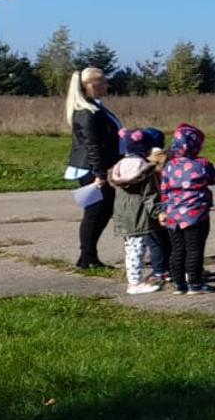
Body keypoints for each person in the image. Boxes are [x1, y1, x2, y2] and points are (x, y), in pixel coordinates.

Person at [65, 67, 122, 270]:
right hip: (91, 170)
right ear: (91, 85)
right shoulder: (87, 112)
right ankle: (86, 257)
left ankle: (89, 255)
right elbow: (92, 145)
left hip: (99, 168)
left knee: (102, 211)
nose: (108, 85)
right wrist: (99, 174)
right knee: (95, 212)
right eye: (104, 81)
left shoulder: (96, 108)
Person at [160, 123, 215, 295]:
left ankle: (178, 283)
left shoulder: (169, 166)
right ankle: (195, 282)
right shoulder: (201, 164)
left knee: (177, 249)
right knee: (194, 249)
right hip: (196, 214)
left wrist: (163, 209)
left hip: (173, 214)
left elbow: (164, 190)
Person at [108, 128, 165, 295]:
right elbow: (150, 196)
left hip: (123, 214)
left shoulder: (119, 166)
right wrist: (158, 213)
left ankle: (134, 279)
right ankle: (134, 283)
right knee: (137, 249)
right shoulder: (145, 170)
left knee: (131, 247)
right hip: (139, 214)